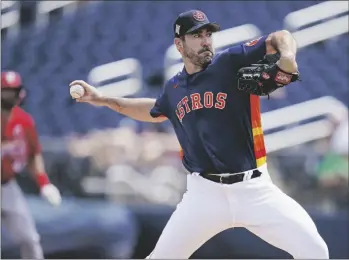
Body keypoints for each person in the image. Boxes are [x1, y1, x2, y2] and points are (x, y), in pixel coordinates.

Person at [69, 10, 329, 259]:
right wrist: (103, 99)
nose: (206, 41)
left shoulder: (231, 62)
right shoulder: (174, 88)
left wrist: (288, 55)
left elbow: (280, 36)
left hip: (255, 189)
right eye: (197, 36)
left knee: (315, 251)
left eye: (208, 34)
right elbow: (153, 109)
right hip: (204, 196)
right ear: (179, 44)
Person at [1, 71, 62, 259]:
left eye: (14, 91)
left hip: (7, 186)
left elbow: (33, 155)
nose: (10, 96)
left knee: (30, 239)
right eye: (5, 91)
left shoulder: (24, 121)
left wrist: (44, 183)